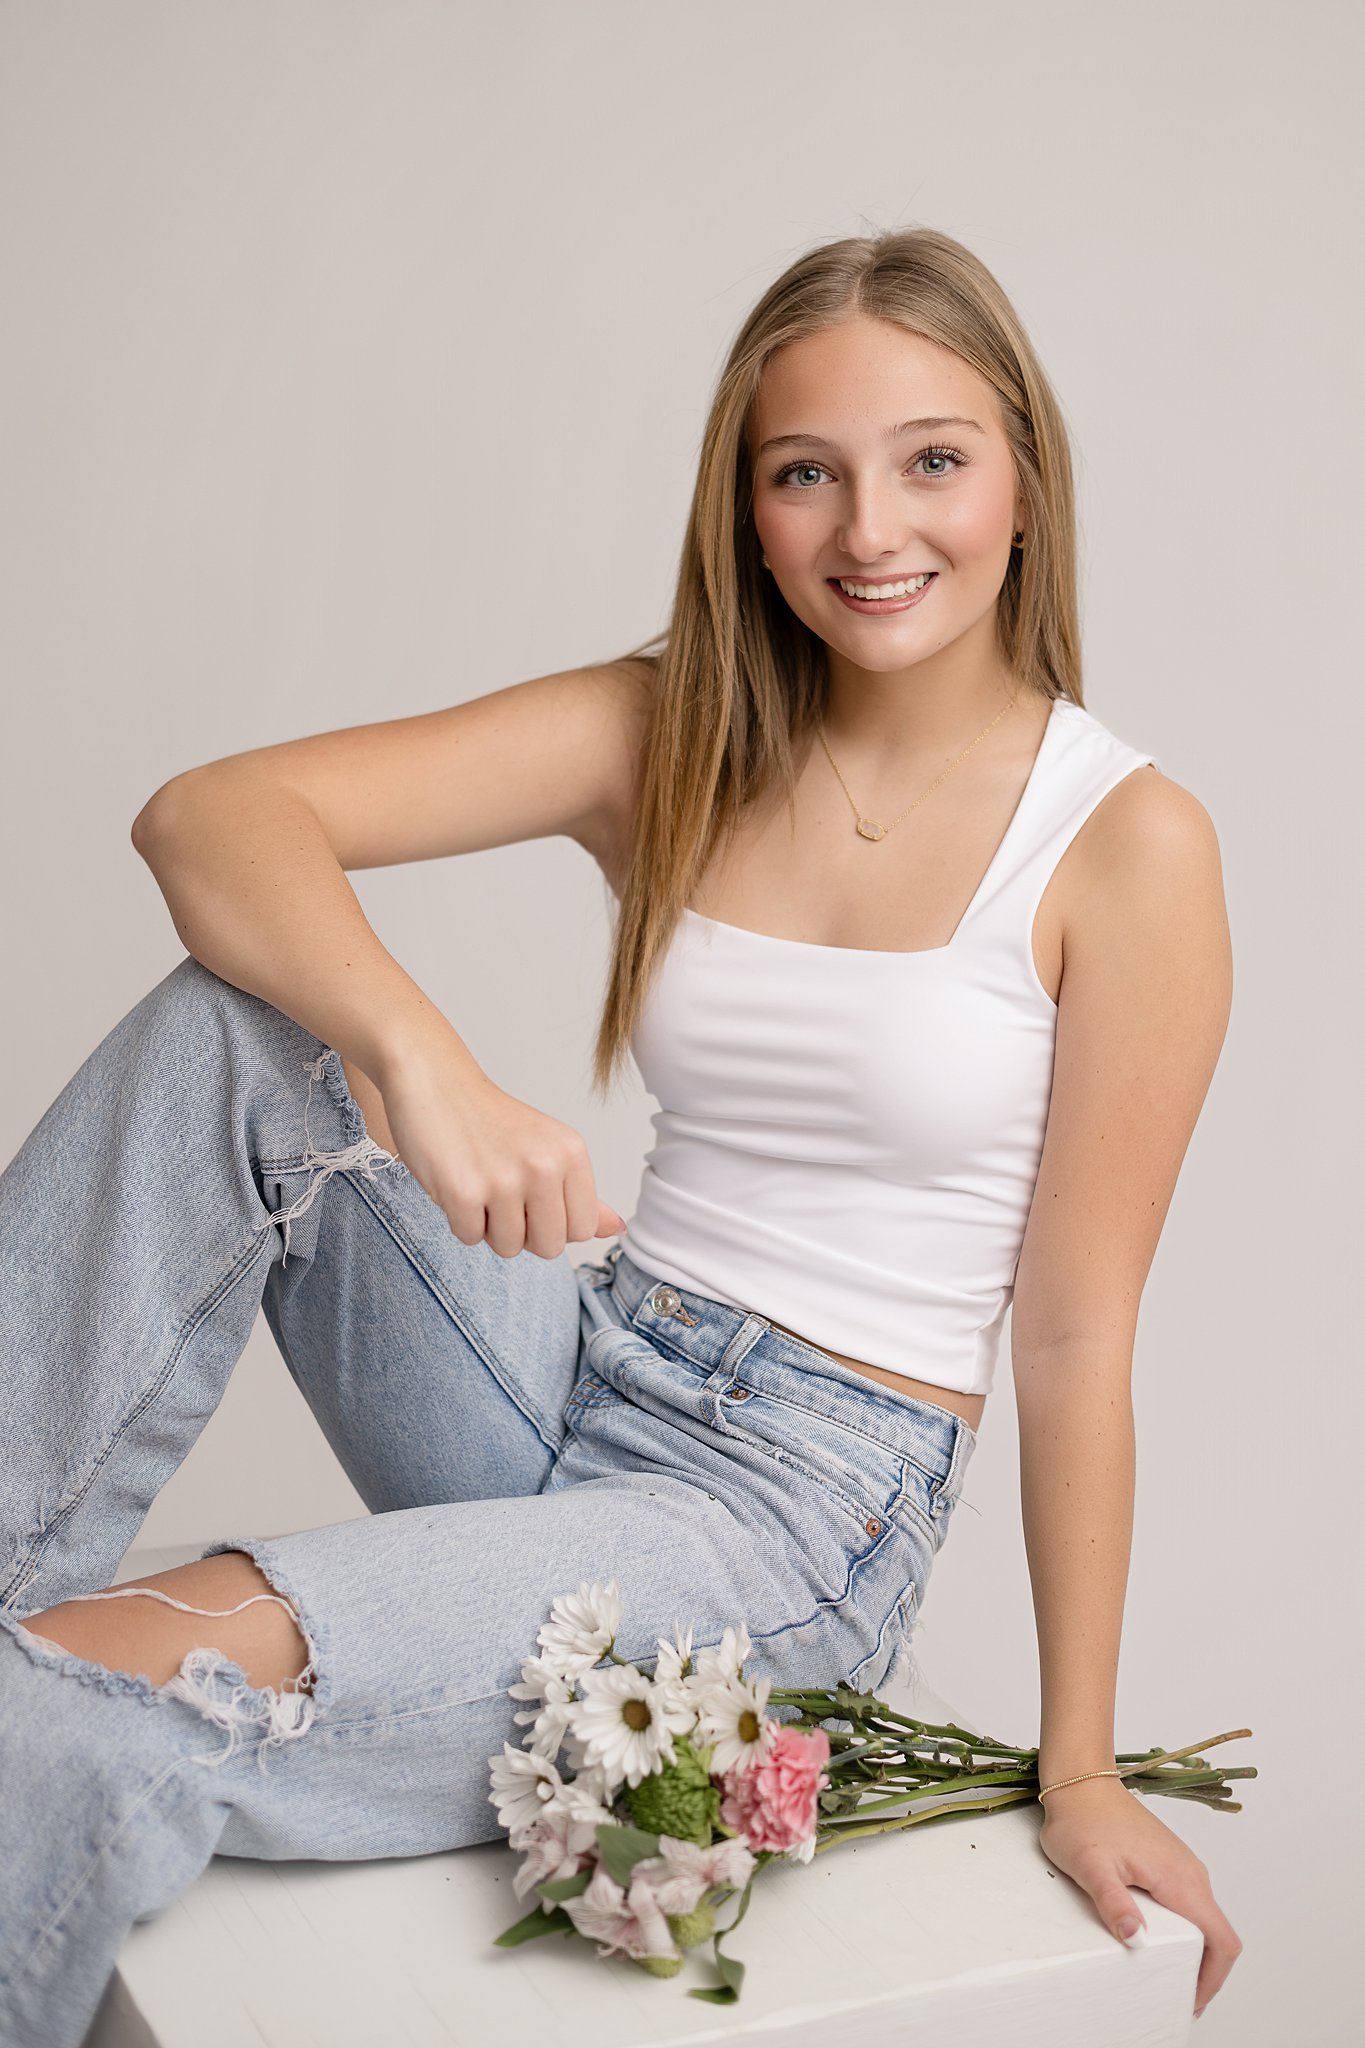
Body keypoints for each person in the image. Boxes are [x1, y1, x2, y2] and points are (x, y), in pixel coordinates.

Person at [0, 225, 1241, 2041]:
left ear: (1025, 482)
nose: (869, 530)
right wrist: (422, 1060)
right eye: (803, 472)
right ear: (746, 508)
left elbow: (1072, 1335)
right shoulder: (673, 728)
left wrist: (1077, 1771)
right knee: (242, 1032)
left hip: (789, 1517)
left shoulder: (1128, 848)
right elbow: (212, 817)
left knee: (75, 1695)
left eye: (932, 461)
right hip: (573, 1365)